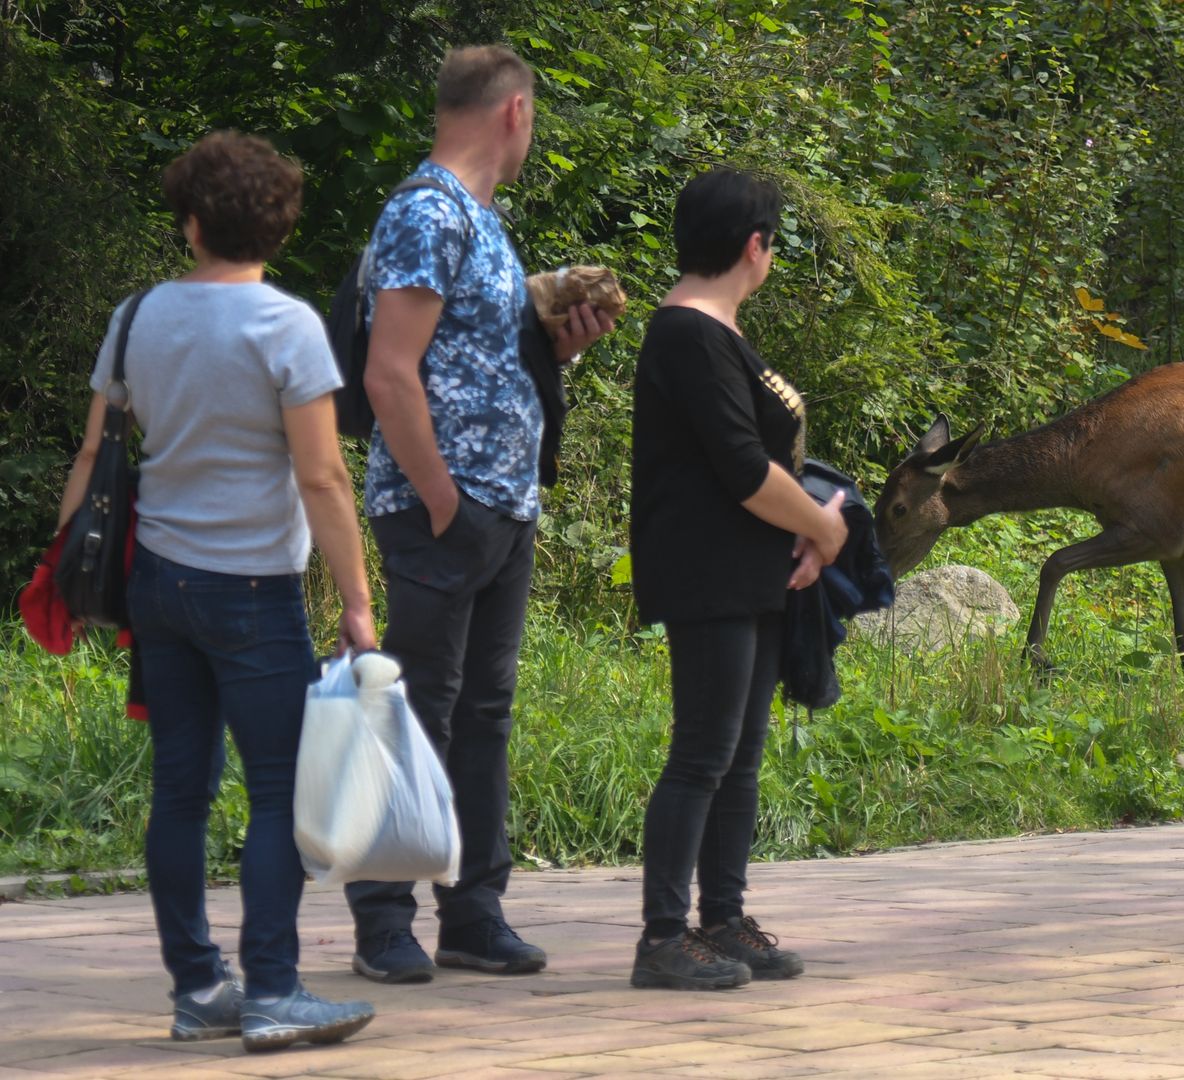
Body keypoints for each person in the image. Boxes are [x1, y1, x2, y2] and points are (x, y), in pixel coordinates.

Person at [57, 131, 377, 1051]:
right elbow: (323, 480)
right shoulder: (288, 327)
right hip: (251, 591)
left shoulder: (135, 317)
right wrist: (356, 601)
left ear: (191, 223)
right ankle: (274, 991)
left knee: (180, 792)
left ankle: (201, 986)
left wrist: (72, 576)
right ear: (278, 226)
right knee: (278, 793)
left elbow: (93, 452)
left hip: (156, 582)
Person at [346, 44, 614, 983]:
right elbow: (389, 370)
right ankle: (383, 919)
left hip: (504, 506)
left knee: (483, 713)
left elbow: (476, 365)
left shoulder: (484, 224)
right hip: (443, 509)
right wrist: (442, 498)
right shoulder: (427, 211)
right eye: (534, 118)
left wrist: (560, 346)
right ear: (515, 113)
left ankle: (472, 909)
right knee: (417, 708)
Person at [628, 168, 849, 990]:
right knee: (702, 753)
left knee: (740, 757)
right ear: (754, 247)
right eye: (773, 242)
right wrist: (822, 525)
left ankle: (722, 916)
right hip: (707, 573)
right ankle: (661, 937)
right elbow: (743, 469)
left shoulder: (719, 333)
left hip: (754, 575)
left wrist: (812, 534)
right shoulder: (686, 334)